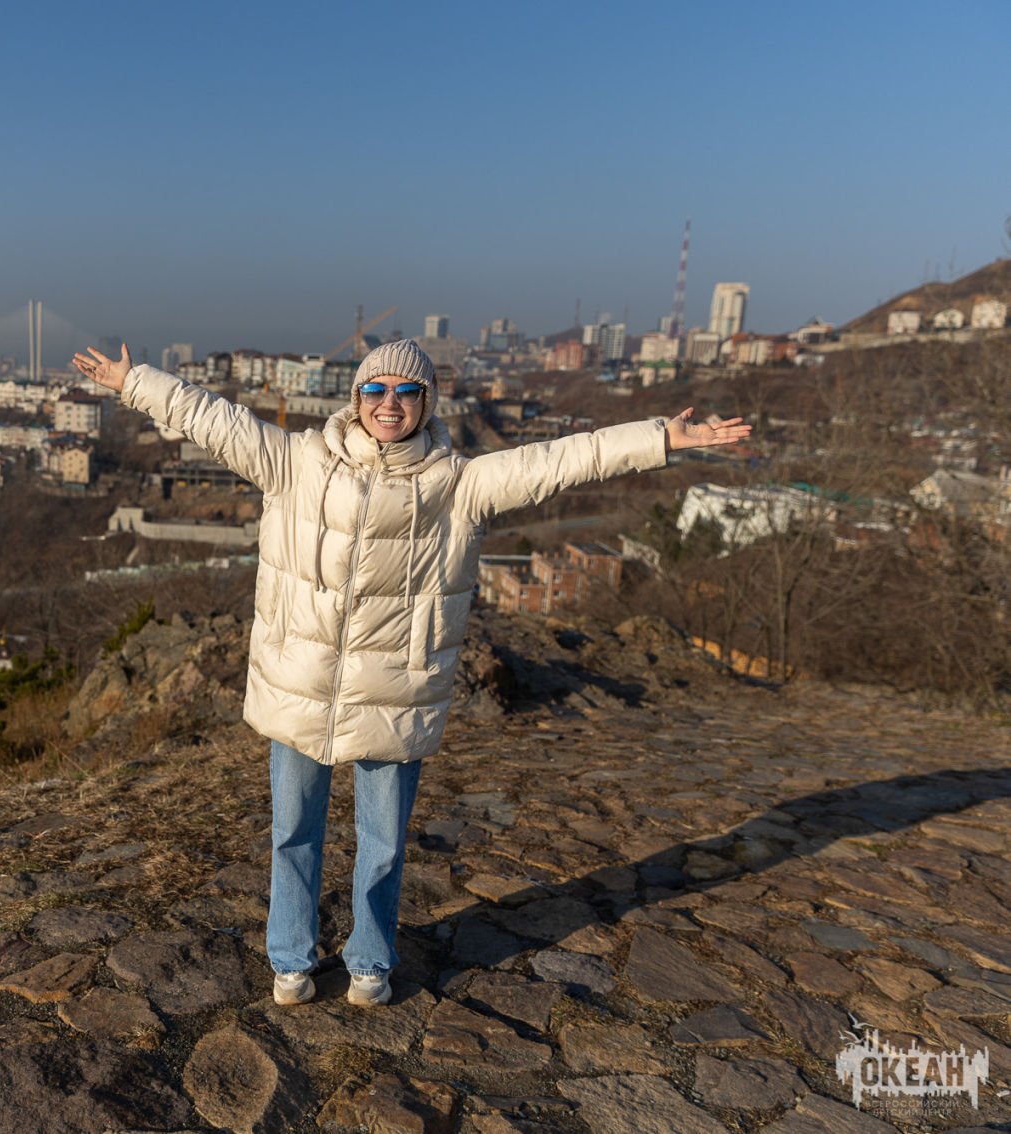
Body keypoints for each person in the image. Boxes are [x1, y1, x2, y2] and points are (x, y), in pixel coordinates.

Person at [72, 339, 751, 1006]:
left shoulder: (460, 484)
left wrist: (662, 437)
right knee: (292, 832)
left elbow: (563, 460)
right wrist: (135, 383)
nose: (389, 402)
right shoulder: (295, 461)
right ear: (356, 397)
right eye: (375, 388)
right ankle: (291, 958)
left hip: (397, 689)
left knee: (384, 843)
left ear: (427, 403)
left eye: (406, 390)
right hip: (300, 682)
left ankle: (370, 960)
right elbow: (213, 419)